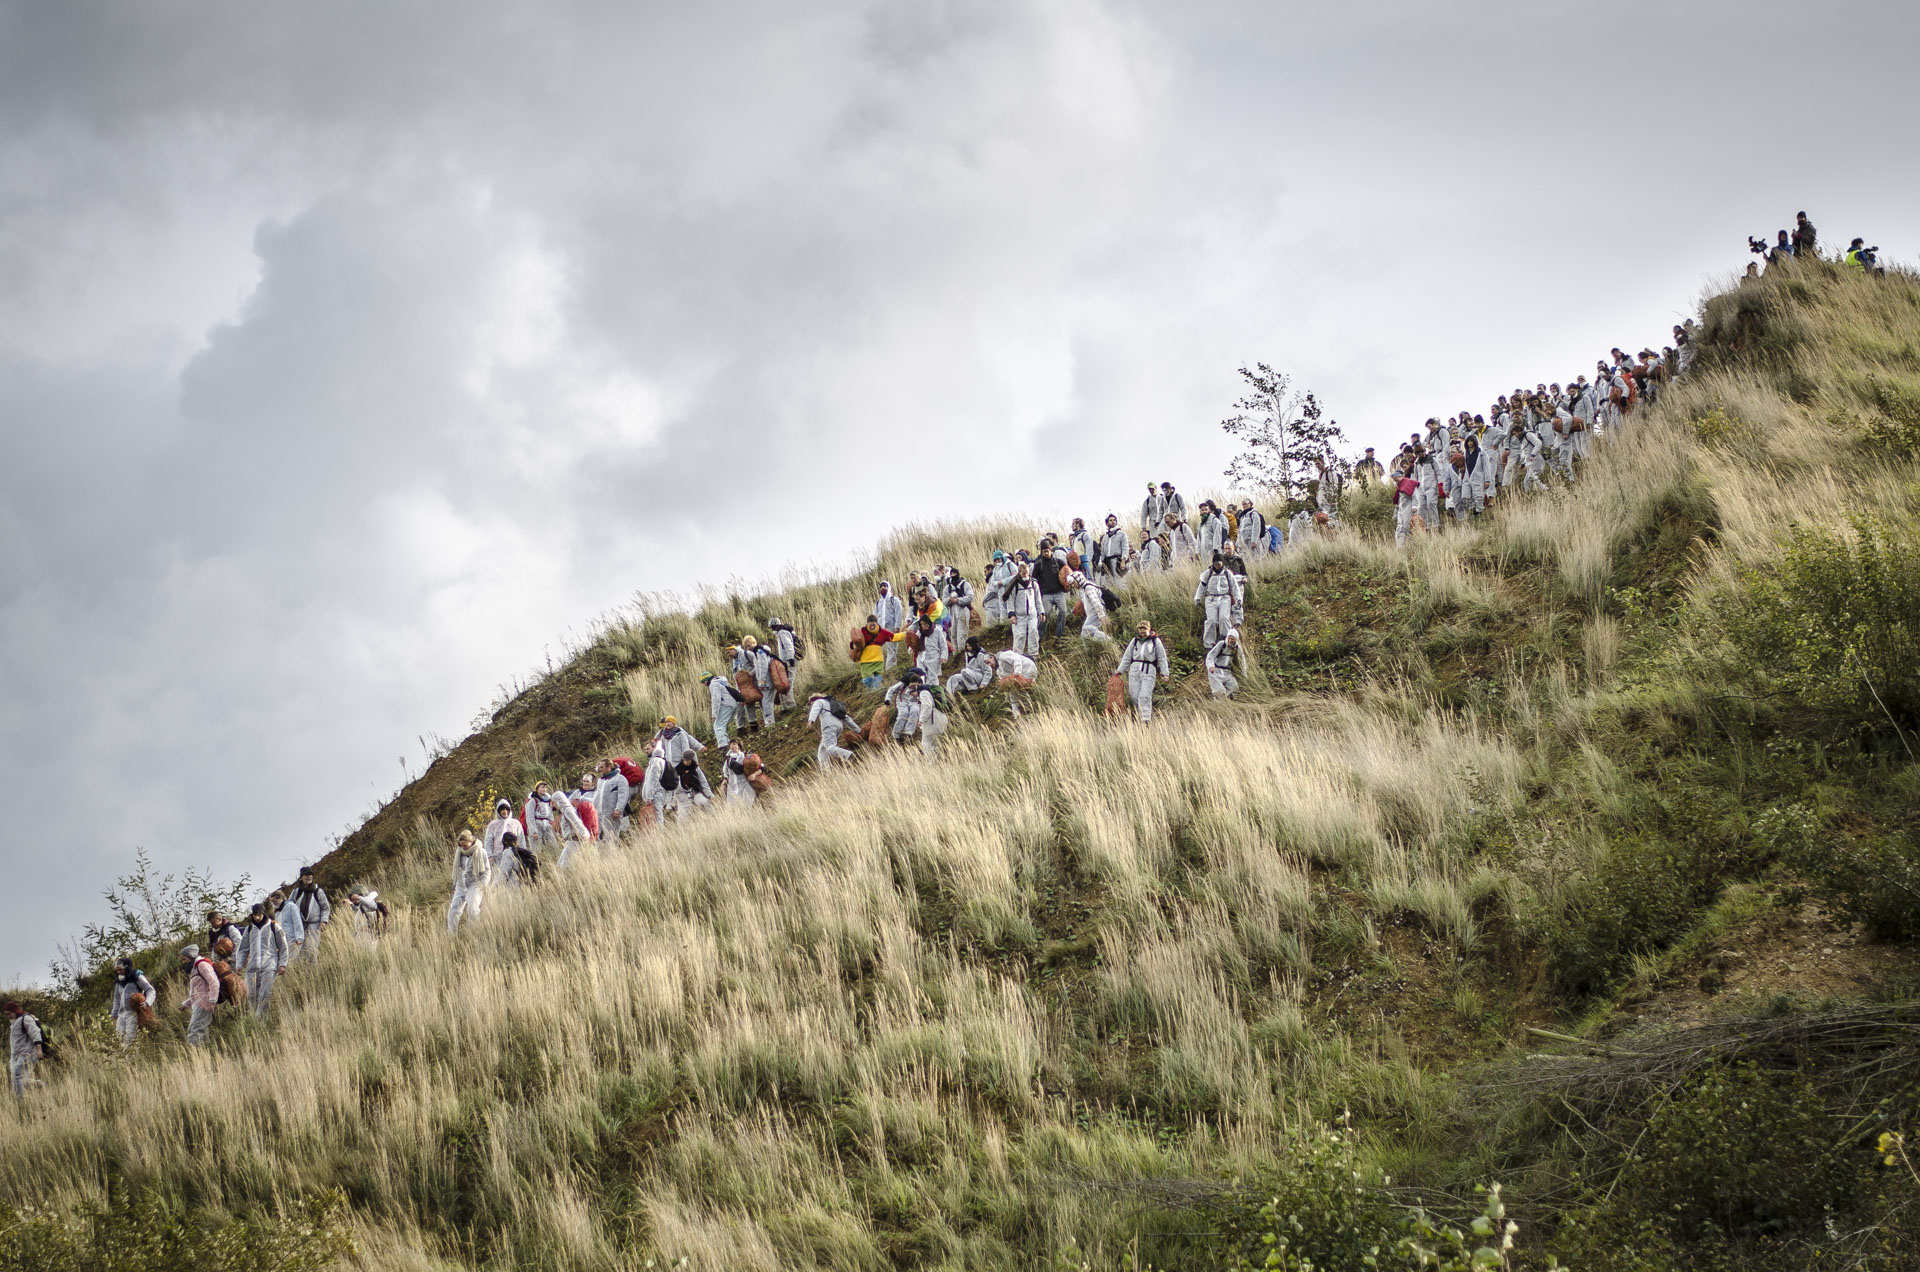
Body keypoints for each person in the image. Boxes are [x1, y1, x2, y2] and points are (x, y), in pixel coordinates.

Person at [238, 901, 289, 1017]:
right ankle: (253, 1018)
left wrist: (282, 964)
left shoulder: (273, 927)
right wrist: (239, 964)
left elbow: (283, 947)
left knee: (265, 993)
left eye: (259, 915)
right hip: (253, 966)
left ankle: (261, 1020)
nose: (257, 917)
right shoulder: (249, 929)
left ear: (263, 913)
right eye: (254, 915)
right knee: (251, 995)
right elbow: (243, 948)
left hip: (269, 965)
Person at [1116, 621, 1171, 723]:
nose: (1142, 632)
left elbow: (1162, 658)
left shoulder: (1155, 641)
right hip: (1134, 670)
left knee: (1145, 695)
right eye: (1140, 630)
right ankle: (1139, 717)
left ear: (1149, 629)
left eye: (1144, 630)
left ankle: (1146, 720)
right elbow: (1127, 657)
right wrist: (1119, 671)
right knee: (1134, 696)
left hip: (1149, 669)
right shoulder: (1135, 641)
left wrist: (1165, 673)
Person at [1194, 552, 1243, 648]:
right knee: (1211, 620)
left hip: (1225, 598)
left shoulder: (1227, 574)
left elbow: (1235, 587)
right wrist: (1198, 598)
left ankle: (1225, 641)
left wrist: (1239, 599)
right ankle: (1208, 644)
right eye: (1215, 564)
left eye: (1219, 564)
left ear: (1222, 564)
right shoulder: (1207, 574)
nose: (1217, 566)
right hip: (1210, 599)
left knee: (1224, 618)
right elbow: (1201, 587)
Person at [108, 958, 159, 1047]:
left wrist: (146, 1003)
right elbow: (116, 999)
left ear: (127, 968)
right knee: (118, 1039)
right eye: (117, 970)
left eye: (121, 969)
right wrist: (114, 1014)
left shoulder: (137, 977)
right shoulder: (118, 982)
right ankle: (121, 1060)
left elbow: (151, 990)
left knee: (130, 1040)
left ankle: (130, 1060)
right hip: (121, 1015)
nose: (119, 972)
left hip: (133, 1014)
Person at [448, 830, 490, 933]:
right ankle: (452, 935)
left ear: (471, 841)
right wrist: (454, 885)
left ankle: (474, 933)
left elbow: (487, 871)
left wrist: (483, 885)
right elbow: (457, 869)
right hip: (461, 885)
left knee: (473, 909)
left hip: (475, 884)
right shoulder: (459, 853)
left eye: (465, 845)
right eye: (461, 845)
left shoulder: (481, 852)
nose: (463, 847)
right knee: (453, 910)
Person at [1001, 561, 1044, 656]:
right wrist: (1011, 614)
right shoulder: (1015, 585)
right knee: (1020, 636)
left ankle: (1034, 656)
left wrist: (1041, 612)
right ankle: (1017, 657)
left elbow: (1038, 599)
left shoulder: (1033, 584)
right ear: (1019, 573)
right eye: (1023, 573)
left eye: (1027, 573)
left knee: (1033, 633)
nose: (1026, 575)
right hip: (1019, 616)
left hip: (1032, 614)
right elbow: (1010, 600)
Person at [291, 866, 330, 963]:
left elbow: (325, 907)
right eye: (306, 875)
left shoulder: (318, 891)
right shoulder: (296, 892)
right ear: (301, 877)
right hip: (299, 925)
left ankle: (312, 972)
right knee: (297, 950)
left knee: (311, 949)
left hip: (314, 924)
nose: (309, 877)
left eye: (310, 875)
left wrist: (324, 921)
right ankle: (299, 973)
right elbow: (289, 907)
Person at [4, 1003, 43, 1098]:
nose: (8, 1016)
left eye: (9, 1013)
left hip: (28, 1053)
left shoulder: (26, 1019)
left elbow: (35, 1033)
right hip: (16, 1056)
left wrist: (39, 1050)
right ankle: (38, 1084)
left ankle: (20, 1102)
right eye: (6, 1014)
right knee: (19, 1079)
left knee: (16, 1075)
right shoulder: (14, 1024)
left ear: (15, 1011)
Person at [807, 694, 857, 769]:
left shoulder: (818, 701)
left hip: (828, 725)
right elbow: (846, 717)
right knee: (822, 748)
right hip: (839, 727)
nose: (812, 706)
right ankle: (825, 769)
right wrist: (858, 730)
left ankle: (849, 755)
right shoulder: (831, 703)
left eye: (812, 704)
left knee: (829, 747)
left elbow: (815, 709)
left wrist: (811, 720)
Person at [483, 798, 525, 873]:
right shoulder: (492, 825)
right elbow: (488, 842)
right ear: (498, 811)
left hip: (514, 855)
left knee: (513, 879)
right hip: (497, 857)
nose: (505, 812)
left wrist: (523, 854)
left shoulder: (516, 823)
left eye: (507, 809)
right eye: (502, 809)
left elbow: (521, 839)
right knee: (499, 879)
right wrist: (489, 856)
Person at [594, 759, 631, 843]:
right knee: (598, 836)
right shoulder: (601, 780)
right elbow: (597, 796)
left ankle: (614, 853)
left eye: (602, 767)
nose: (600, 769)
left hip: (612, 813)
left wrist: (618, 809)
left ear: (609, 767)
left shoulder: (620, 779)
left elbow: (623, 795)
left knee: (612, 836)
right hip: (599, 813)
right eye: (599, 767)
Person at [1071, 569, 1114, 641]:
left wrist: (1101, 616)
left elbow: (1096, 602)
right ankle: (1103, 644)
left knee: (1085, 631)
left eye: (1074, 583)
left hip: (1096, 613)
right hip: (1092, 614)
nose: (1073, 585)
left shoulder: (1088, 588)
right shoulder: (1084, 588)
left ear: (1079, 580)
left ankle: (1108, 641)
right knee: (1086, 635)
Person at [940, 567, 975, 651]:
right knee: (953, 635)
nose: (953, 575)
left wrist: (958, 600)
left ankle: (962, 653)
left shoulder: (965, 584)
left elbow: (970, 597)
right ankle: (955, 655)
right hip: (951, 612)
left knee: (961, 634)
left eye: (954, 574)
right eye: (951, 574)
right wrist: (950, 600)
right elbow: (943, 601)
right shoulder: (947, 588)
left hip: (963, 610)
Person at [875, 582, 907, 670]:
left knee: (892, 648)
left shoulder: (894, 600)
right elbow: (876, 615)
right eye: (881, 587)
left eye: (885, 586)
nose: (883, 588)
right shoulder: (878, 602)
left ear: (889, 587)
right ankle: (881, 668)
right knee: (881, 649)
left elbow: (898, 613)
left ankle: (890, 669)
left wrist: (897, 626)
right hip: (881, 628)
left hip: (891, 627)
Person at [1205, 629, 1245, 699]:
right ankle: (1218, 705)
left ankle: (1227, 704)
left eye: (1232, 639)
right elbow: (1210, 656)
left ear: (1236, 640)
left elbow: (1242, 661)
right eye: (1228, 638)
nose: (1230, 641)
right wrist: (1211, 666)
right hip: (1216, 672)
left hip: (1227, 672)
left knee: (1234, 689)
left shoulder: (1237, 648)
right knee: (1219, 692)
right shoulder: (1221, 644)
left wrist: (1244, 675)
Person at [723, 738, 758, 808]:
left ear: (739, 746)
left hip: (744, 783)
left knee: (746, 804)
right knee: (733, 806)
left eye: (734, 744)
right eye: (731, 744)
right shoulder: (728, 759)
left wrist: (754, 775)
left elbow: (759, 767)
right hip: (732, 785)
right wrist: (725, 780)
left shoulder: (745, 757)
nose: (732, 746)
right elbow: (726, 771)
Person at [914, 614, 949, 683]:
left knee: (932, 679)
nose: (924, 626)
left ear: (929, 623)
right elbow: (913, 645)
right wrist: (912, 650)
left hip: (933, 658)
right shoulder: (919, 633)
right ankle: (922, 691)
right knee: (921, 677)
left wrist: (943, 656)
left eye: (925, 624)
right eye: (922, 624)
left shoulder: (937, 631)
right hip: (921, 658)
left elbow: (943, 645)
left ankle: (934, 692)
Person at [982, 552, 1015, 624]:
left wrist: (1003, 582)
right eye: (995, 560)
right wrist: (997, 583)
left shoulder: (1010, 565)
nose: (997, 561)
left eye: (998, 559)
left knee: (1011, 615)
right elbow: (993, 581)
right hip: (1001, 595)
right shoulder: (996, 569)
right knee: (1003, 618)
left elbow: (1015, 576)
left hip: (1011, 593)